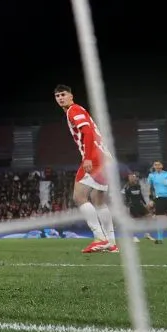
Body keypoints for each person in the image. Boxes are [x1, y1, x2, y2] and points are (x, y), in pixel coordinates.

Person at [54, 85, 116, 254]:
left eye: (63, 94)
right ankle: (111, 243)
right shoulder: (78, 109)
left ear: (71, 96)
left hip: (95, 157)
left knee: (79, 197)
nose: (60, 98)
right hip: (106, 158)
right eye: (57, 96)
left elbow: (87, 132)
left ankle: (99, 238)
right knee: (98, 201)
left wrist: (87, 157)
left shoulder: (73, 110)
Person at [121, 172, 153, 243]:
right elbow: (125, 198)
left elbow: (140, 195)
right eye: (131, 177)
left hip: (140, 205)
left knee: (148, 216)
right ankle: (134, 236)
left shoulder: (138, 186)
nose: (133, 178)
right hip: (132, 206)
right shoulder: (126, 187)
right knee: (134, 221)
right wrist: (127, 206)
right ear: (129, 178)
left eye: (134, 177)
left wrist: (145, 204)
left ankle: (147, 234)